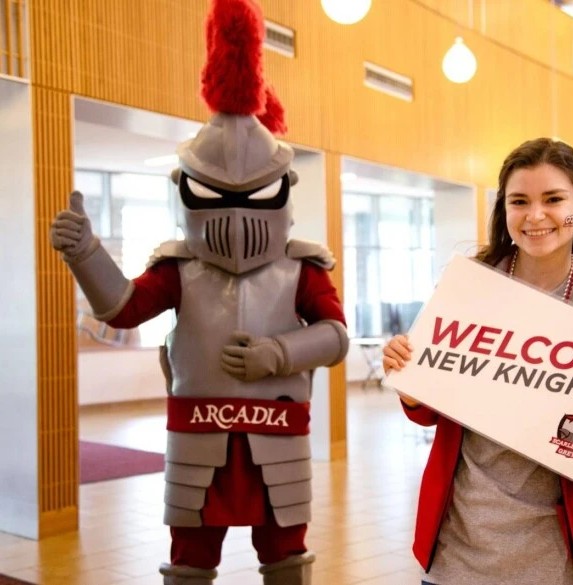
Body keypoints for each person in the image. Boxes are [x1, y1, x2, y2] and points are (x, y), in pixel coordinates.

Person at [49, 1, 348, 583]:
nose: (236, 214)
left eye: (254, 196)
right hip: (199, 433)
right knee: (190, 552)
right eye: (216, 196)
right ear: (188, 190)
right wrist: (86, 253)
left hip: (276, 432)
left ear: (281, 191)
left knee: (286, 549)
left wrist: (279, 353)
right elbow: (124, 308)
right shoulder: (179, 267)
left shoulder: (301, 267)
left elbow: (335, 336)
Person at [383, 138, 573, 585]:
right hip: (459, 542)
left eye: (554, 199)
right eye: (519, 201)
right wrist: (410, 383)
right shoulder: (467, 289)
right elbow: (428, 409)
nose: (535, 215)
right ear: (504, 212)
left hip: (559, 550)